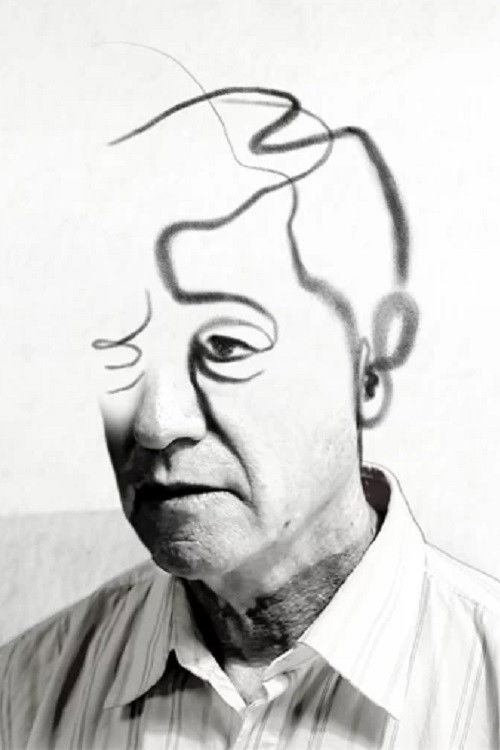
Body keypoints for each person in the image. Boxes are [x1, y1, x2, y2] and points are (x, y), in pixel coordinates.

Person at [1, 79, 500, 750]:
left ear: (371, 360)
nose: (154, 423)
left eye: (226, 346)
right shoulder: (22, 696)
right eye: (120, 350)